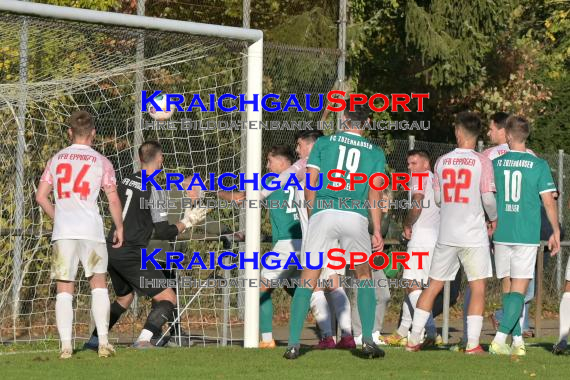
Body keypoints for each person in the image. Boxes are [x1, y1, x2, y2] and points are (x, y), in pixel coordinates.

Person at [284, 100, 386, 360]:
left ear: (343, 117)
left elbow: (311, 181)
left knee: (309, 276)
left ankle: (293, 344)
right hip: (355, 215)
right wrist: (376, 230)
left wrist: (312, 212)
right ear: (368, 122)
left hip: (324, 212)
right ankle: (366, 341)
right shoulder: (375, 152)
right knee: (363, 274)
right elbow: (374, 193)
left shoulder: (325, 143)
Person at [83, 140, 206, 349]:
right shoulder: (154, 189)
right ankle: (143, 339)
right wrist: (188, 221)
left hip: (110, 248)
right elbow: (164, 232)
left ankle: (94, 340)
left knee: (124, 298)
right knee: (168, 297)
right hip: (130, 251)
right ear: (160, 160)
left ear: (140, 158)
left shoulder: (124, 181)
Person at [406, 111, 497, 354]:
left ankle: (413, 339)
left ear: (458, 132)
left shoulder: (442, 161)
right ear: (476, 134)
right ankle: (473, 344)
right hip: (473, 233)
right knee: (477, 286)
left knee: (433, 286)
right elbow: (488, 198)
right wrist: (494, 218)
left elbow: (436, 198)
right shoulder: (482, 161)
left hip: (446, 233)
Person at [35, 110, 124, 359]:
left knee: (64, 287)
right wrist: (119, 227)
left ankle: (65, 347)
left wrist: (60, 218)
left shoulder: (56, 159)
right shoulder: (101, 161)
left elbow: (40, 196)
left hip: (64, 233)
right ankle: (104, 343)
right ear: (93, 133)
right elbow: (113, 197)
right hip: (91, 231)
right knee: (98, 284)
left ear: (69, 132)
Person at [385, 149, 440, 347]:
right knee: (416, 287)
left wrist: (407, 225)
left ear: (426, 163)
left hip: (421, 238)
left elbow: (417, 203)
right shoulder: (435, 178)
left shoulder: (420, 176)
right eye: (408, 164)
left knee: (411, 285)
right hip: (434, 239)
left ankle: (428, 332)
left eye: (414, 163)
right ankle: (402, 331)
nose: (410, 167)